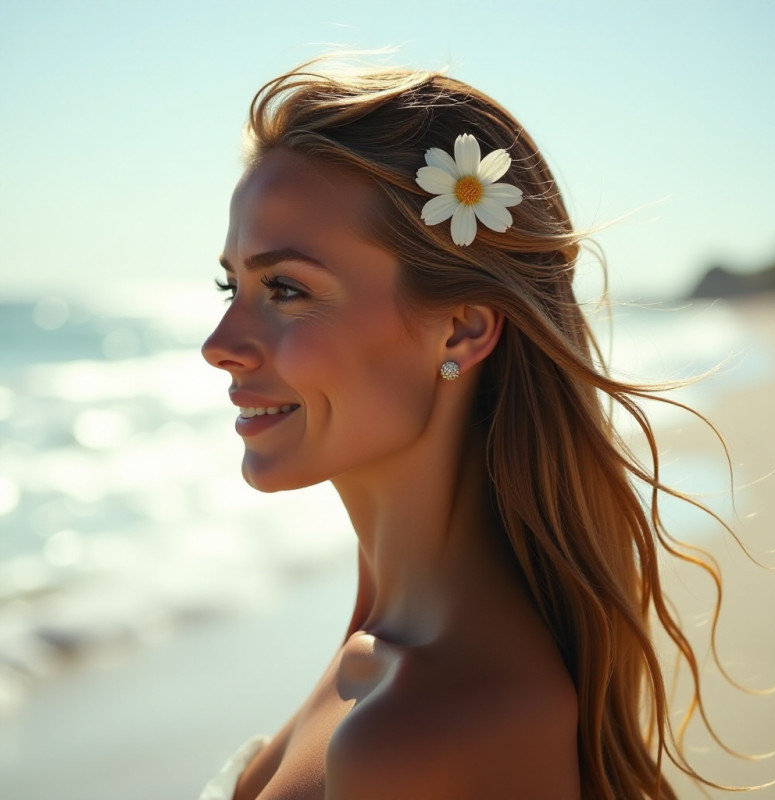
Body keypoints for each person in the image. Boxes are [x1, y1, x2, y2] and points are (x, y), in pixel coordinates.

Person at [199, 59, 736, 800]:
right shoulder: (384, 632)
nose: (219, 341)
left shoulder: (427, 736)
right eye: (233, 285)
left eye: (285, 289)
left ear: (461, 329)